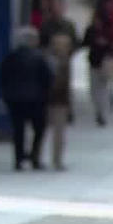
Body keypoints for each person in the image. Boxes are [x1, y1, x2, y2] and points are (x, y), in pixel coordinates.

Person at [0, 27, 55, 171]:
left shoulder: (11, 57)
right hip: (36, 99)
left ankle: (18, 159)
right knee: (39, 128)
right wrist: (45, 95)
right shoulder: (39, 57)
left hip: (15, 99)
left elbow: (2, 77)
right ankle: (34, 157)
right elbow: (47, 78)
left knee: (18, 130)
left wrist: (6, 94)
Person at [83, 8, 113, 127]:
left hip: (105, 63)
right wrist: (94, 42)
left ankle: (101, 113)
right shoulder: (90, 30)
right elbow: (85, 43)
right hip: (93, 62)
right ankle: (98, 110)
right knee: (93, 89)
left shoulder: (108, 31)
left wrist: (106, 44)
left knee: (103, 88)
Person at [45, 32, 75, 170]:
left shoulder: (47, 58)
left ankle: (41, 157)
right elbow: (62, 84)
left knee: (44, 131)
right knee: (58, 133)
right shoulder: (62, 62)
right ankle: (56, 160)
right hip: (57, 101)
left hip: (49, 100)